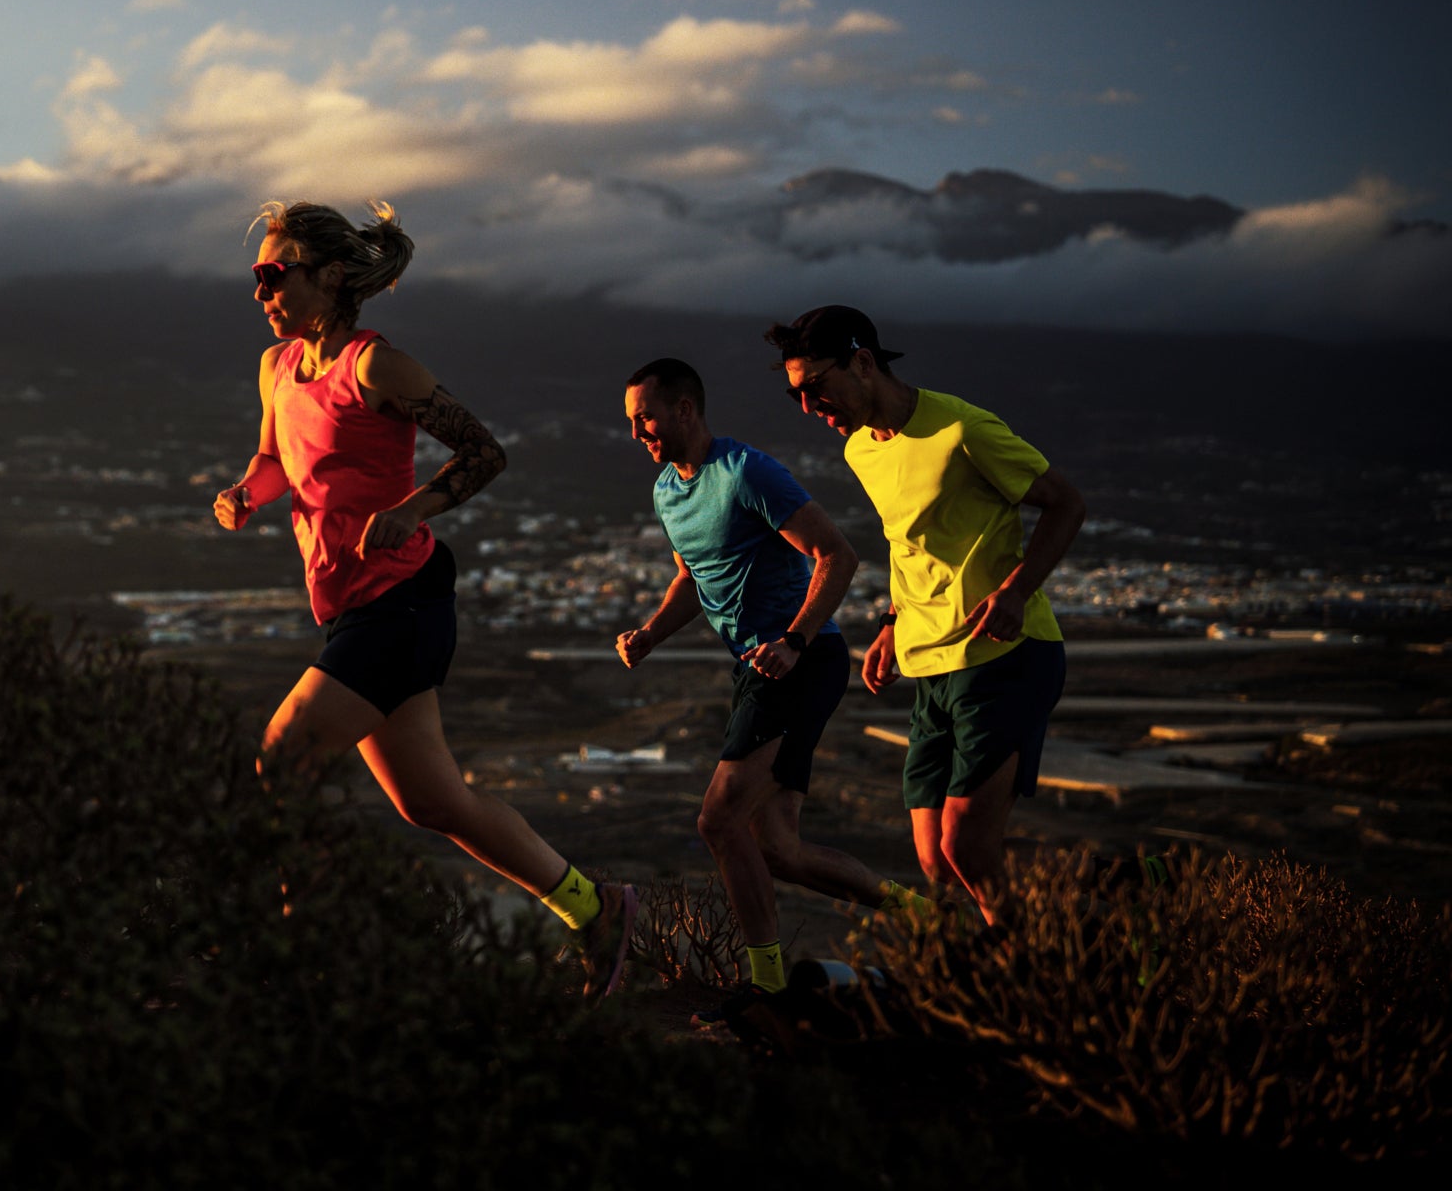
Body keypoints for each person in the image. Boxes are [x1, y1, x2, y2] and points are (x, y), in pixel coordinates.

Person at [213, 198, 640, 997]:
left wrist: (413, 510)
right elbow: (273, 458)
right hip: (349, 609)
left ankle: (299, 955)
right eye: (257, 276)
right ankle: (596, 906)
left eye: (276, 274)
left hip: (403, 604)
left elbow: (485, 452)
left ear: (331, 277)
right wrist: (245, 492)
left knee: (282, 761)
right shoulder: (277, 369)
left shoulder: (378, 367)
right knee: (433, 804)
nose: (262, 290)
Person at [613, 358, 925, 994]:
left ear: (685, 409)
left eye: (644, 417)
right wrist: (649, 633)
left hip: (798, 660)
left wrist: (793, 641)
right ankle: (926, 918)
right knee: (779, 847)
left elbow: (837, 554)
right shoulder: (667, 490)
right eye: (631, 422)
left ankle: (767, 986)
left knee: (719, 822)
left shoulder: (746, 472)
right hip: (759, 664)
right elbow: (691, 579)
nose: (637, 432)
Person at [765, 306, 1086, 924]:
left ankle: (1025, 977)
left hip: (1004, 656)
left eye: (815, 388)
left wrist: (1017, 592)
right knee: (938, 863)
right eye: (795, 395)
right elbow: (908, 542)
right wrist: (890, 622)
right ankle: (1118, 889)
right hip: (927, 662)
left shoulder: (962, 430)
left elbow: (1066, 504)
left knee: (968, 846)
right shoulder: (861, 448)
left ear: (862, 363)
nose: (809, 408)